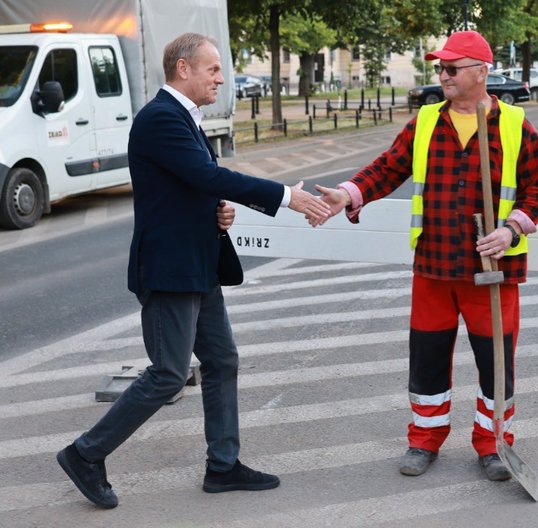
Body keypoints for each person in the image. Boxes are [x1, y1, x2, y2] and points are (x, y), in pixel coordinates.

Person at [56, 32, 331, 508]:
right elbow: (206, 175)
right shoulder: (160, 118)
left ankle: (223, 465)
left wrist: (217, 211)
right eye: (213, 69)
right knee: (167, 373)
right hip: (170, 269)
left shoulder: (184, 119)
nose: (221, 79)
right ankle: (86, 453)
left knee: (222, 362)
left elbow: (193, 187)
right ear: (183, 69)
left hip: (198, 265)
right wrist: (285, 196)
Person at [315, 30, 538, 482]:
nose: (442, 75)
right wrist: (348, 193)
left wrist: (511, 228)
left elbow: (537, 190)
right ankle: (424, 439)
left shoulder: (517, 125)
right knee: (426, 359)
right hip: (434, 268)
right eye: (440, 68)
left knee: (495, 364)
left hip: (492, 271)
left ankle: (493, 444)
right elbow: (387, 168)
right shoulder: (425, 121)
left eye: (452, 68)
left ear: (482, 72)